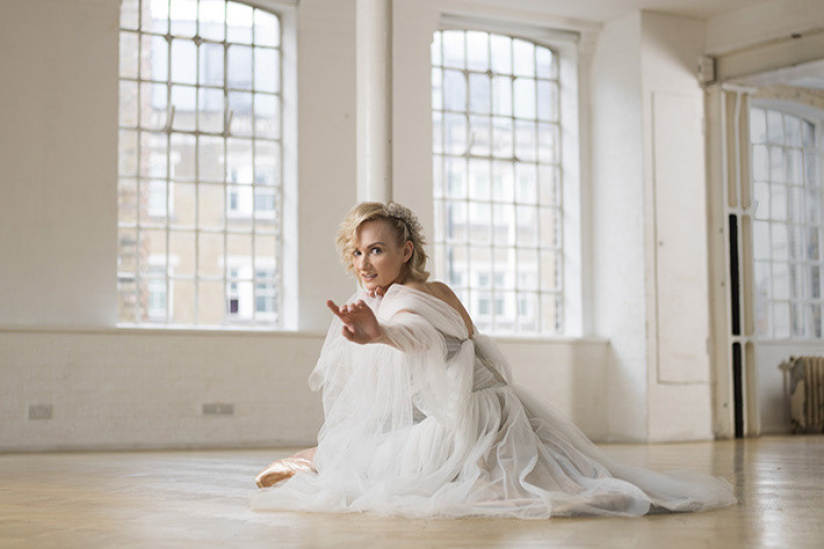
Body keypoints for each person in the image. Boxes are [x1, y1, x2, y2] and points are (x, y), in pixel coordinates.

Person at [252, 201, 736, 518]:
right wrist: (382, 330)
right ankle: (312, 459)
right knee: (384, 449)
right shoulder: (423, 290)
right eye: (357, 252)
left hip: (474, 416)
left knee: (385, 466)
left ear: (406, 250)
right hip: (496, 406)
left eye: (376, 250)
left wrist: (382, 333)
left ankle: (312, 460)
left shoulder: (403, 301)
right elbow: (451, 342)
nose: (363, 263)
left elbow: (420, 335)